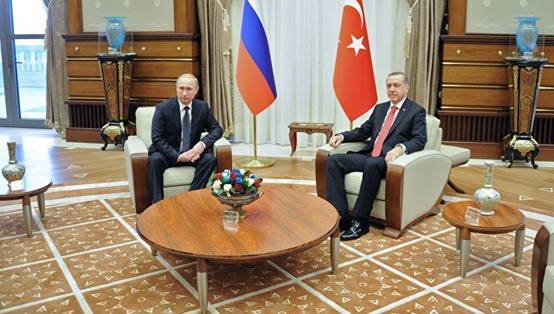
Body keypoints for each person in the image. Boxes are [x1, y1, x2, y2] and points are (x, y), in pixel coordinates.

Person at [326, 72, 427, 241]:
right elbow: (363, 131)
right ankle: (341, 216)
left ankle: (360, 221)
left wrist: (399, 149)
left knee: (372, 165)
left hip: (388, 160)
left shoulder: (416, 111)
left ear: (406, 88)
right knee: (333, 161)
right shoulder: (380, 109)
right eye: (389, 86)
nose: (392, 89)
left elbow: (419, 140)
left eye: (397, 85)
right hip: (370, 154)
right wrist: (342, 136)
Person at [148, 73, 223, 203]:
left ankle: (191, 200)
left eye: (189, 89)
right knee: (155, 160)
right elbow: (157, 138)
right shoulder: (163, 108)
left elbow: (217, 129)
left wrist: (201, 145)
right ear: (176, 88)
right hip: (168, 154)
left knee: (210, 159)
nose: (184, 93)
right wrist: (176, 156)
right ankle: (157, 204)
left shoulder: (202, 107)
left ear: (196, 91)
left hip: (192, 154)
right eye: (181, 88)